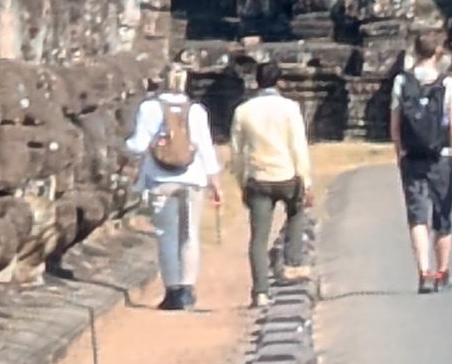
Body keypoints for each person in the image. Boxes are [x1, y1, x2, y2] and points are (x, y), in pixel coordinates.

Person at [129, 76, 219, 310]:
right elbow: (206, 149)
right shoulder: (196, 111)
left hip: (160, 179)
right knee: (190, 234)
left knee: (166, 235)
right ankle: (188, 289)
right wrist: (215, 182)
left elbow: (138, 145)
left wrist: (125, 145)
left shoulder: (149, 108)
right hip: (193, 179)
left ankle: (173, 291)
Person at [390, 34, 452, 293]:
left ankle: (424, 272)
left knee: (417, 216)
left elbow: (395, 124)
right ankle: (443, 271)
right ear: (438, 52)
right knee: (442, 216)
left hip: (411, 156)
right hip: (441, 156)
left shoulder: (402, 81)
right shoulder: (448, 84)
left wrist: (399, 152)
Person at [230, 67, 314, 299]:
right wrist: (306, 180)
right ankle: (291, 260)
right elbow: (298, 145)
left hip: (258, 176)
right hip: (286, 174)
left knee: (258, 237)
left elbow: (236, 152)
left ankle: (260, 291)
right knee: (296, 213)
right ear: (280, 82)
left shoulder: (243, 111)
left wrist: (241, 181)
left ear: (256, 82)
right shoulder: (290, 108)